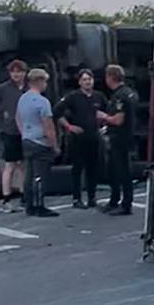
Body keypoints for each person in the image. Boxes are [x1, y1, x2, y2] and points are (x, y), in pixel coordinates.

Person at [54, 69, 108, 209]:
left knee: (93, 168)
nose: (87, 82)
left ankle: (92, 197)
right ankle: (76, 199)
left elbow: (108, 113)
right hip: (78, 138)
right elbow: (57, 112)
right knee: (77, 168)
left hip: (94, 137)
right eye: (84, 80)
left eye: (89, 79)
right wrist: (69, 127)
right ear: (79, 82)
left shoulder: (99, 96)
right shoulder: (72, 97)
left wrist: (104, 125)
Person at [0, 59, 28, 213]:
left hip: (26, 130)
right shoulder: (3, 89)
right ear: (10, 73)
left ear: (24, 73)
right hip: (10, 130)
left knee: (23, 165)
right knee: (10, 165)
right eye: (14, 71)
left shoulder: (28, 89)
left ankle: (24, 197)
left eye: (19, 71)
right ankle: (6, 199)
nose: (16, 74)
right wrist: (4, 111)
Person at [16, 68, 60, 217]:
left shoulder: (23, 99)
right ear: (40, 81)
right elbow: (48, 126)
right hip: (41, 142)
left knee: (29, 174)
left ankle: (29, 205)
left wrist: (24, 133)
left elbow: (17, 117)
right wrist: (54, 145)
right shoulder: (43, 102)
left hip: (27, 140)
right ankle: (39, 205)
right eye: (45, 81)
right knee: (40, 175)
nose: (46, 84)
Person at [97, 64, 137, 216]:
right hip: (125, 137)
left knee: (121, 171)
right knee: (115, 170)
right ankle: (114, 201)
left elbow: (119, 120)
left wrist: (104, 117)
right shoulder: (129, 93)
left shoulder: (119, 96)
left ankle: (125, 204)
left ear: (110, 77)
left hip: (119, 138)